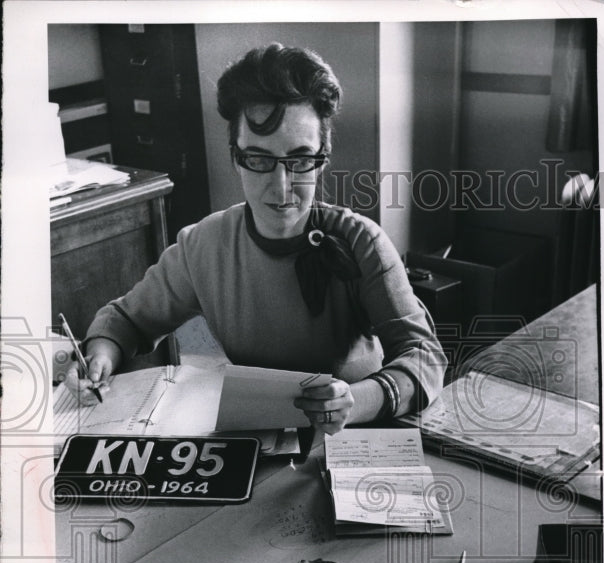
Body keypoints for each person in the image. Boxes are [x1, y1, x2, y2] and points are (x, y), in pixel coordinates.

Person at [68, 43, 446, 433]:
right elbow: (127, 320)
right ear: (236, 157)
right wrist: (99, 357)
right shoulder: (203, 245)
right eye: (260, 160)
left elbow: (426, 357)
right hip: (256, 437)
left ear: (323, 159)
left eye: (300, 160)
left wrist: (359, 401)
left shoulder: (361, 242)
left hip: (354, 436)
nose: (281, 188)